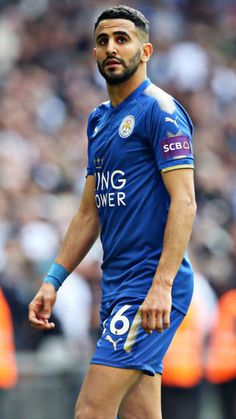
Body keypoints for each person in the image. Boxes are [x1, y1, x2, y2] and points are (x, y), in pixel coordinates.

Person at [28, 5, 197, 419]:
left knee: (90, 411)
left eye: (122, 38)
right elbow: (90, 212)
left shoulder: (162, 111)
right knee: (142, 416)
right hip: (118, 284)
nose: (111, 48)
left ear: (146, 50)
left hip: (148, 286)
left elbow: (186, 201)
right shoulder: (99, 121)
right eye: (102, 40)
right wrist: (53, 279)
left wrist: (161, 285)